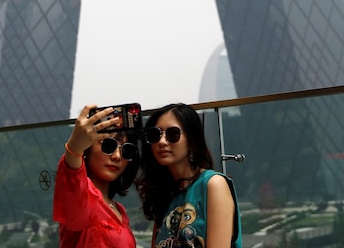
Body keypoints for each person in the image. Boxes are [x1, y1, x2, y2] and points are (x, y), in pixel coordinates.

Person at [136, 103, 242, 248]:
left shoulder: (213, 184)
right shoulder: (164, 196)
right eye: (155, 135)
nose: (161, 142)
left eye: (172, 134)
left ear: (192, 140)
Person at [53, 104, 140, 248]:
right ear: (88, 148)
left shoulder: (120, 211)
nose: (117, 156)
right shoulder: (82, 198)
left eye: (127, 150)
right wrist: (75, 147)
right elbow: (72, 175)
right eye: (108, 145)